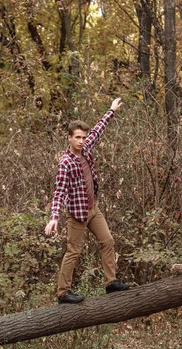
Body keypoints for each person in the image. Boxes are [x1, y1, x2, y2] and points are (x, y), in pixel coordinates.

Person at [45, 98, 130, 304]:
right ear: (69, 138)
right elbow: (59, 191)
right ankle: (63, 292)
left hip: (93, 209)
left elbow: (98, 130)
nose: (81, 141)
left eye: (83, 137)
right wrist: (54, 217)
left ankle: (111, 283)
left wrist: (111, 110)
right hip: (77, 215)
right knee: (74, 251)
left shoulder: (86, 149)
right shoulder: (66, 163)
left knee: (108, 241)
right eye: (77, 138)